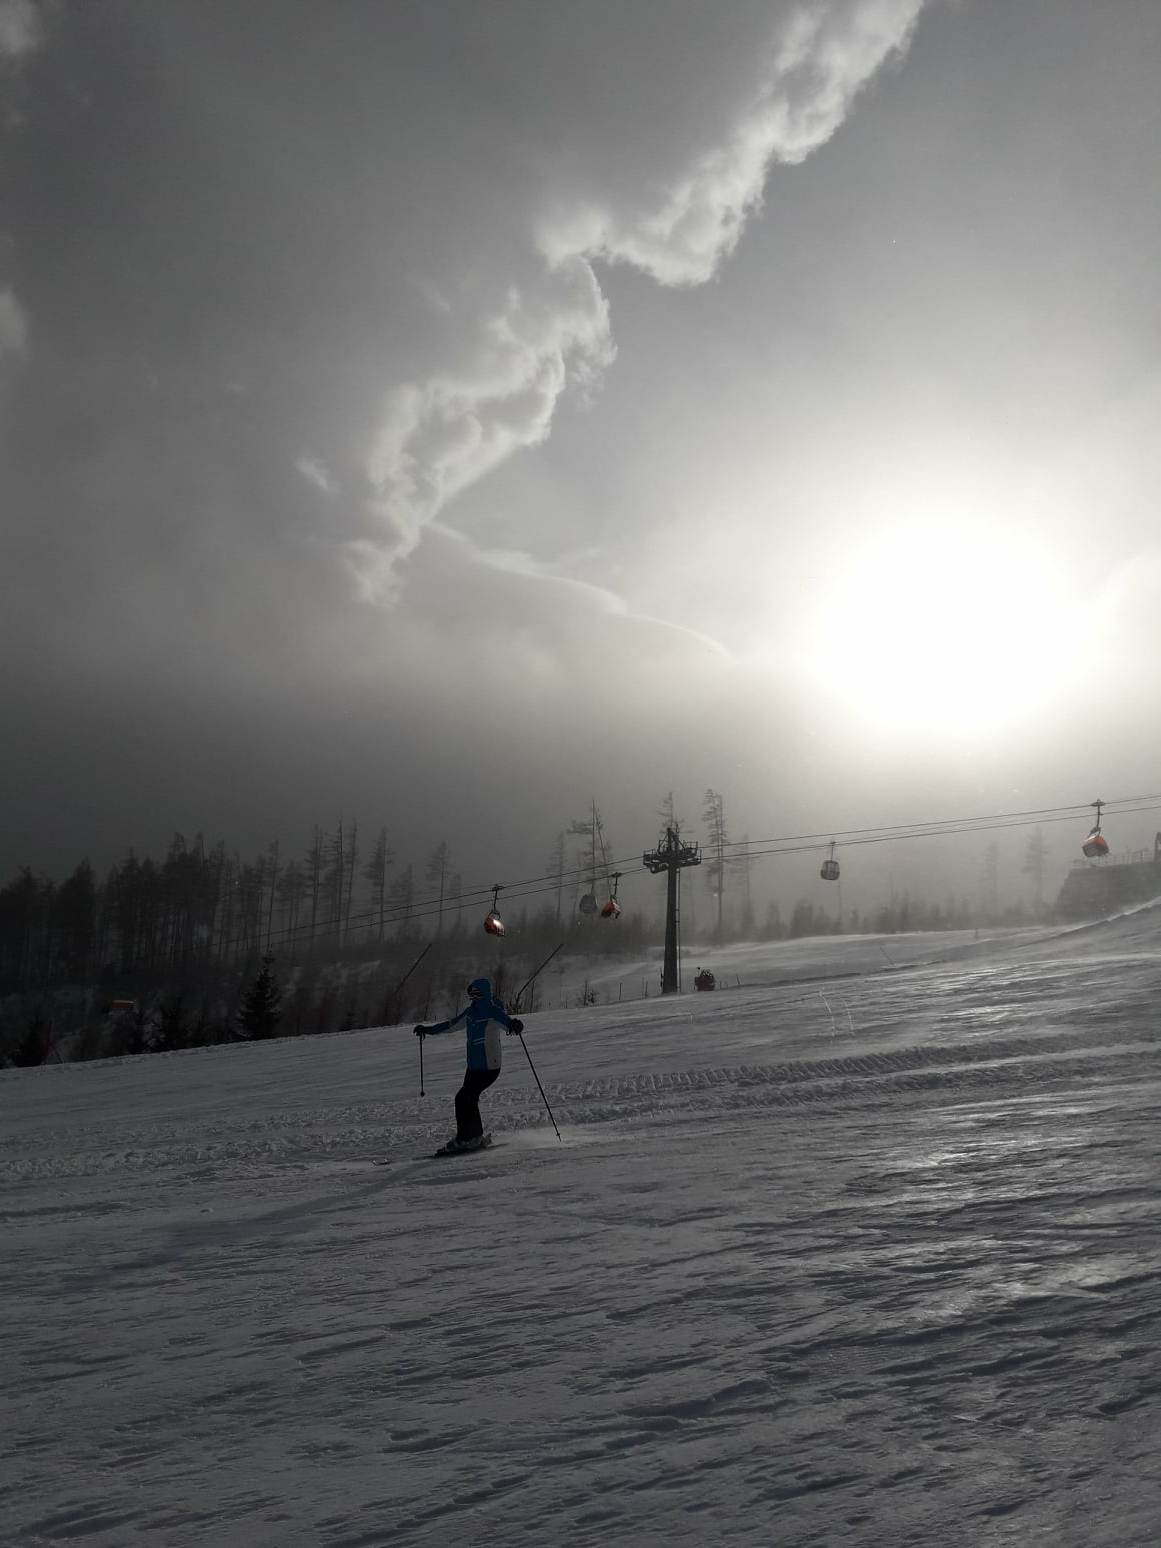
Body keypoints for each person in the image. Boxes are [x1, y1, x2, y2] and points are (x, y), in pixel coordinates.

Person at [415, 977, 523, 1152]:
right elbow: (451, 1025)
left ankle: (466, 1138)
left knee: (463, 1098)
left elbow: (508, 1023)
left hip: (489, 1067)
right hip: (473, 1067)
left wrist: (515, 1024)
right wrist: (428, 1030)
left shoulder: (492, 1011)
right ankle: (474, 1136)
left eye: (477, 993)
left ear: (484, 993)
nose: (473, 996)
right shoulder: (470, 1013)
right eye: (471, 993)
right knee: (469, 1099)